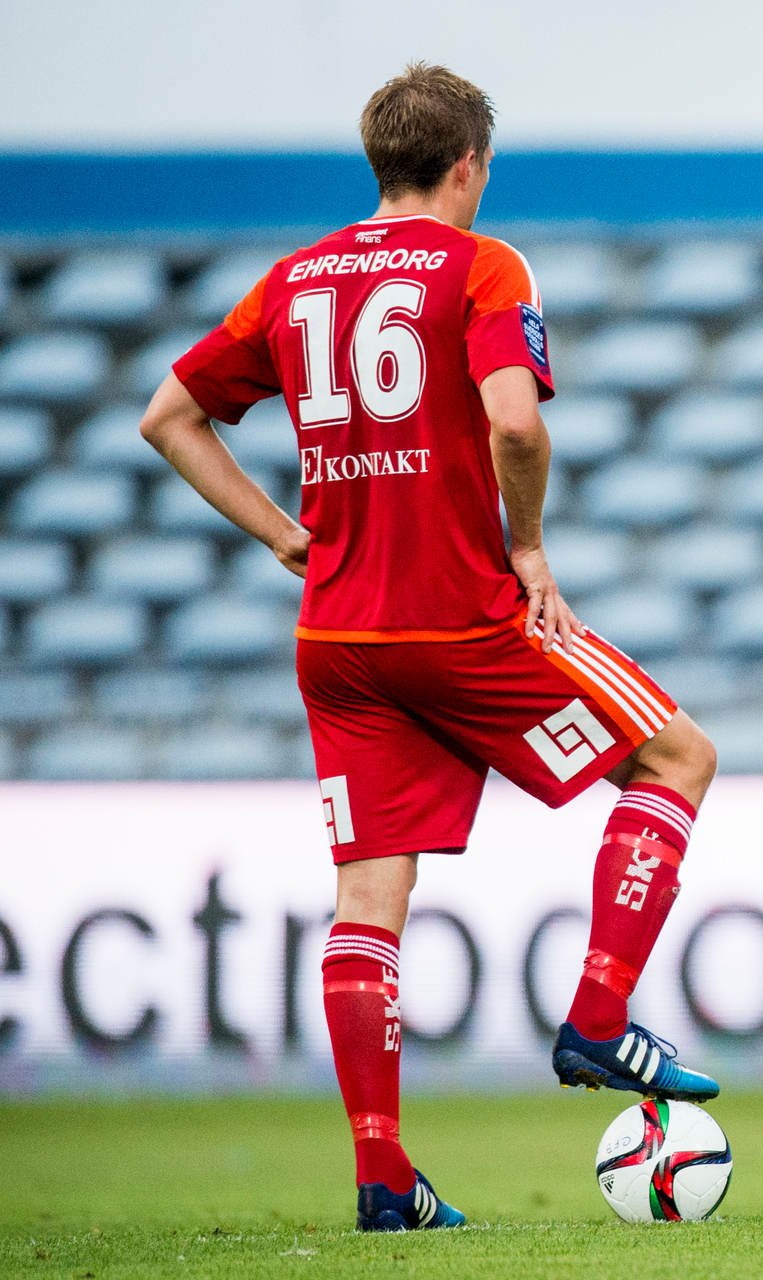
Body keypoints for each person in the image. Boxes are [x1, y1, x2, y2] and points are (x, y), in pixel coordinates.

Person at [139, 63, 720, 1232]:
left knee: (367, 897)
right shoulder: (483, 264)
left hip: (341, 637)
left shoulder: (295, 278)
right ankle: (600, 1018)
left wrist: (279, 534)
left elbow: (167, 416)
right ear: (471, 164)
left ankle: (382, 1175)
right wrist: (534, 548)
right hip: (462, 619)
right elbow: (515, 419)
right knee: (676, 758)